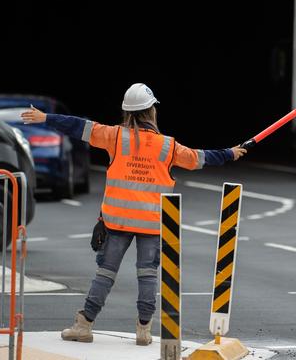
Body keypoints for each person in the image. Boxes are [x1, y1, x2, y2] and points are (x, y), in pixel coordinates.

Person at [21, 83, 247, 345]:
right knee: (148, 275)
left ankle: (84, 326)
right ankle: (143, 330)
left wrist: (46, 118)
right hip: (151, 224)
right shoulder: (168, 147)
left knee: (105, 274)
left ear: (127, 113)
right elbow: (200, 158)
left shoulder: (115, 137)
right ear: (151, 111)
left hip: (117, 222)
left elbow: (78, 126)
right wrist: (229, 153)